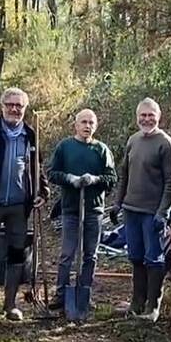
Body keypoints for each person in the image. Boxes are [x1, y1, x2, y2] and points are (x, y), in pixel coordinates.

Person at [0, 87, 49, 321]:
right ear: (2, 106)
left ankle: (10, 304)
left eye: (19, 106)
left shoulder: (31, 134)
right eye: (10, 104)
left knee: (17, 253)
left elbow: (37, 166)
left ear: (25, 109)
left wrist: (42, 190)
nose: (14, 109)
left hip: (19, 205)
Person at [113, 97, 171, 323]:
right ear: (137, 117)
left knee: (154, 257)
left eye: (151, 115)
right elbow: (125, 175)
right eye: (143, 115)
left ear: (158, 117)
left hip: (152, 212)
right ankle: (136, 303)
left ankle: (153, 306)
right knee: (135, 256)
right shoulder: (133, 140)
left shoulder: (166, 144)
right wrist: (117, 203)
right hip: (131, 209)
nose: (147, 119)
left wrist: (163, 212)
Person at [46, 108, 117, 319]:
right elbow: (52, 173)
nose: (87, 126)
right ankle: (61, 294)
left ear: (96, 126)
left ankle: (84, 294)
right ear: (76, 125)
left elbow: (111, 177)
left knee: (90, 255)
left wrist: (95, 180)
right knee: (67, 254)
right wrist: (71, 179)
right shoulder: (65, 147)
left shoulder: (102, 150)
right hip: (71, 209)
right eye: (83, 122)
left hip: (94, 210)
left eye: (91, 122)